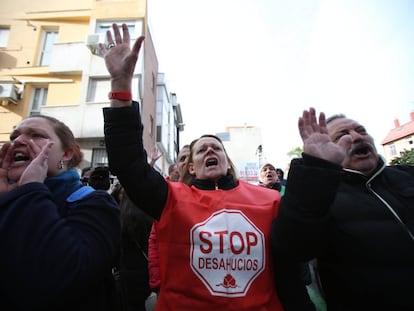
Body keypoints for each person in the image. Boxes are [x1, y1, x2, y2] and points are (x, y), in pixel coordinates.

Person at [100, 23, 285, 310]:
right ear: (193, 168)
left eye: (216, 147)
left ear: (227, 161)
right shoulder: (170, 198)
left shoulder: (270, 199)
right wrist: (121, 87)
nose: (210, 149)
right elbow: (128, 163)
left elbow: (298, 254)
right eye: (201, 149)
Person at [271, 107, 414, 311]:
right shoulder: (320, 195)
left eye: (361, 130)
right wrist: (317, 169)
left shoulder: (407, 175)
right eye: (343, 135)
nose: (356, 137)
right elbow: (291, 247)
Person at [0, 114, 120, 311]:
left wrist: (29, 191)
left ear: (66, 155)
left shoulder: (95, 203)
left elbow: (67, 277)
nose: (18, 141)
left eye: (36, 135)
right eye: (14, 137)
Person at [147, 145, 191, 311]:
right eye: (182, 159)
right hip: (172, 286)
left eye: (190, 157)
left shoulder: (216, 192)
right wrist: (157, 282)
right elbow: (154, 241)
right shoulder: (166, 194)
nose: (186, 163)